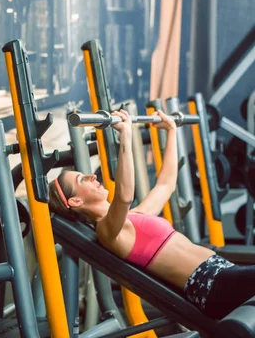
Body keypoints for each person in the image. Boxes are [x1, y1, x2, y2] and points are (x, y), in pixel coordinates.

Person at [49, 109, 255, 320]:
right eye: (82, 179)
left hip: (223, 271)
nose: (93, 176)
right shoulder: (107, 230)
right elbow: (125, 196)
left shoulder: (136, 216)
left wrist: (172, 131)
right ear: (75, 201)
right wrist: (125, 135)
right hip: (211, 285)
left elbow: (166, 185)